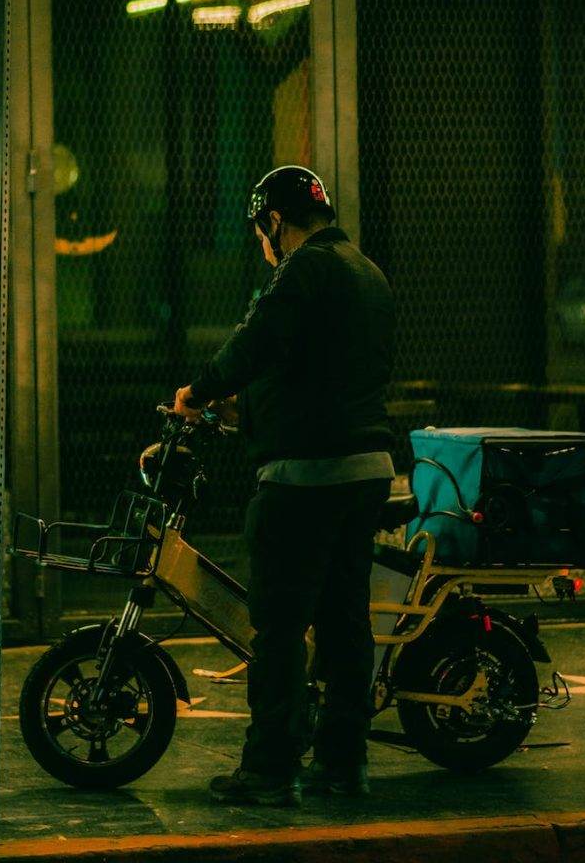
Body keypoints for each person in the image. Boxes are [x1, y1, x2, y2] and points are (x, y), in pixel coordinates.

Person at [173, 165, 394, 807]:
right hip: (366, 470)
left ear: (275, 220)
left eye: (261, 230)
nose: (262, 244)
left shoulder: (301, 270)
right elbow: (324, 373)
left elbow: (256, 343)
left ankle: (270, 766)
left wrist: (200, 391)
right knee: (345, 620)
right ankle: (342, 762)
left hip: (304, 479)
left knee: (278, 625)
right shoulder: (367, 273)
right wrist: (254, 413)